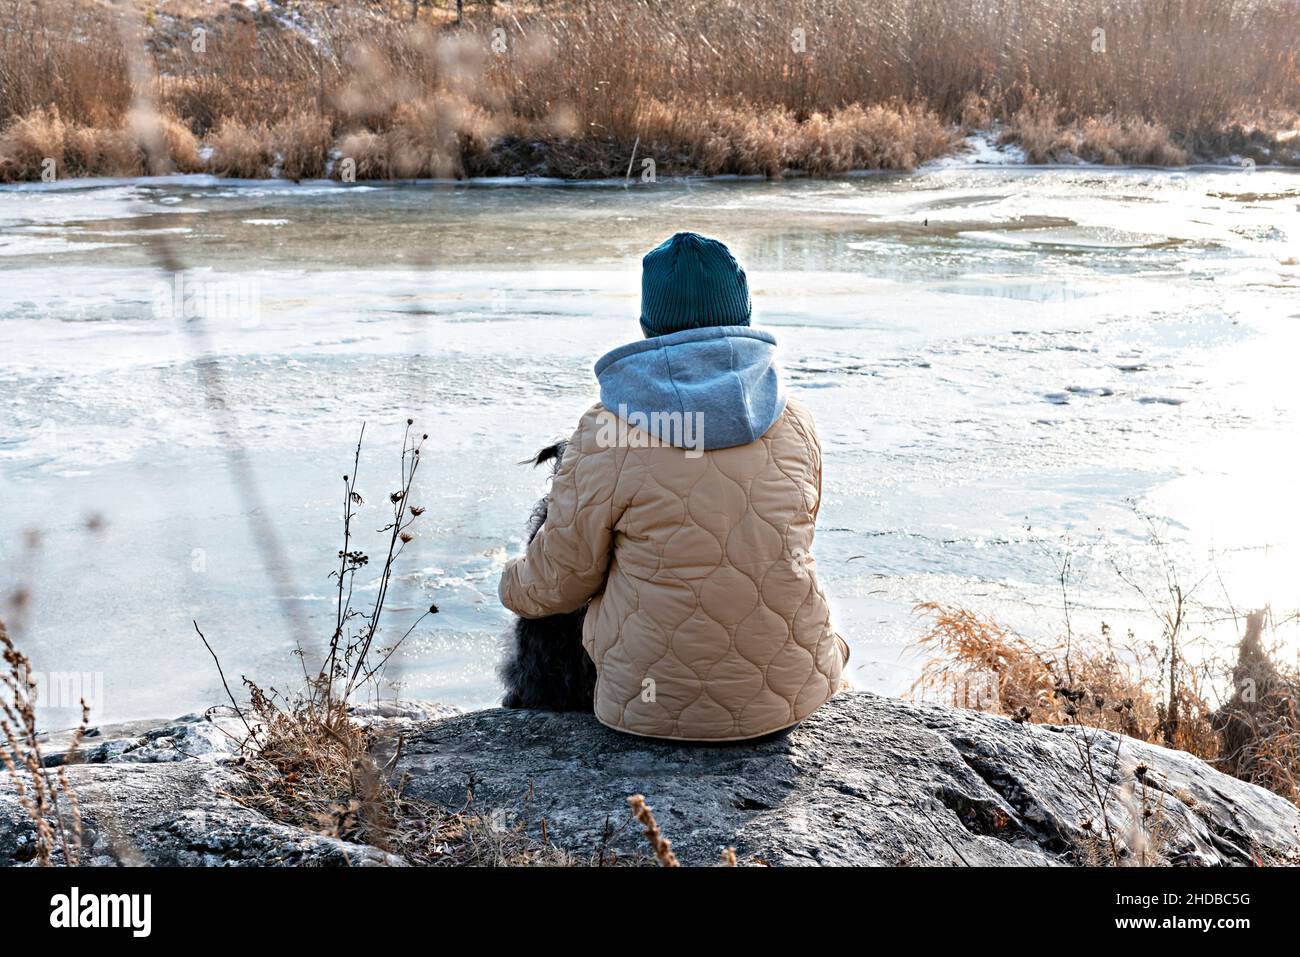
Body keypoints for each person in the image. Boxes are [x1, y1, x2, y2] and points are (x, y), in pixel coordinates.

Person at [499, 231, 847, 742]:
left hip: (649, 709)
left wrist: (509, 581)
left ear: (647, 327)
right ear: (744, 319)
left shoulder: (608, 431)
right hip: (793, 696)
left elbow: (560, 582)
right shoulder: (795, 421)